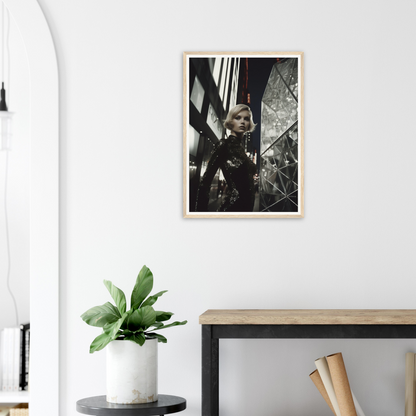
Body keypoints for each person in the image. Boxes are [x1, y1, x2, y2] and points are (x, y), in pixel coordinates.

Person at [195, 104, 257, 212]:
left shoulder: (242, 150)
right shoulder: (224, 145)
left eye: (246, 119)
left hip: (246, 211)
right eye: (238, 118)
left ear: (249, 124)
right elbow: (205, 183)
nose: (242, 121)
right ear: (231, 121)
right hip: (232, 209)